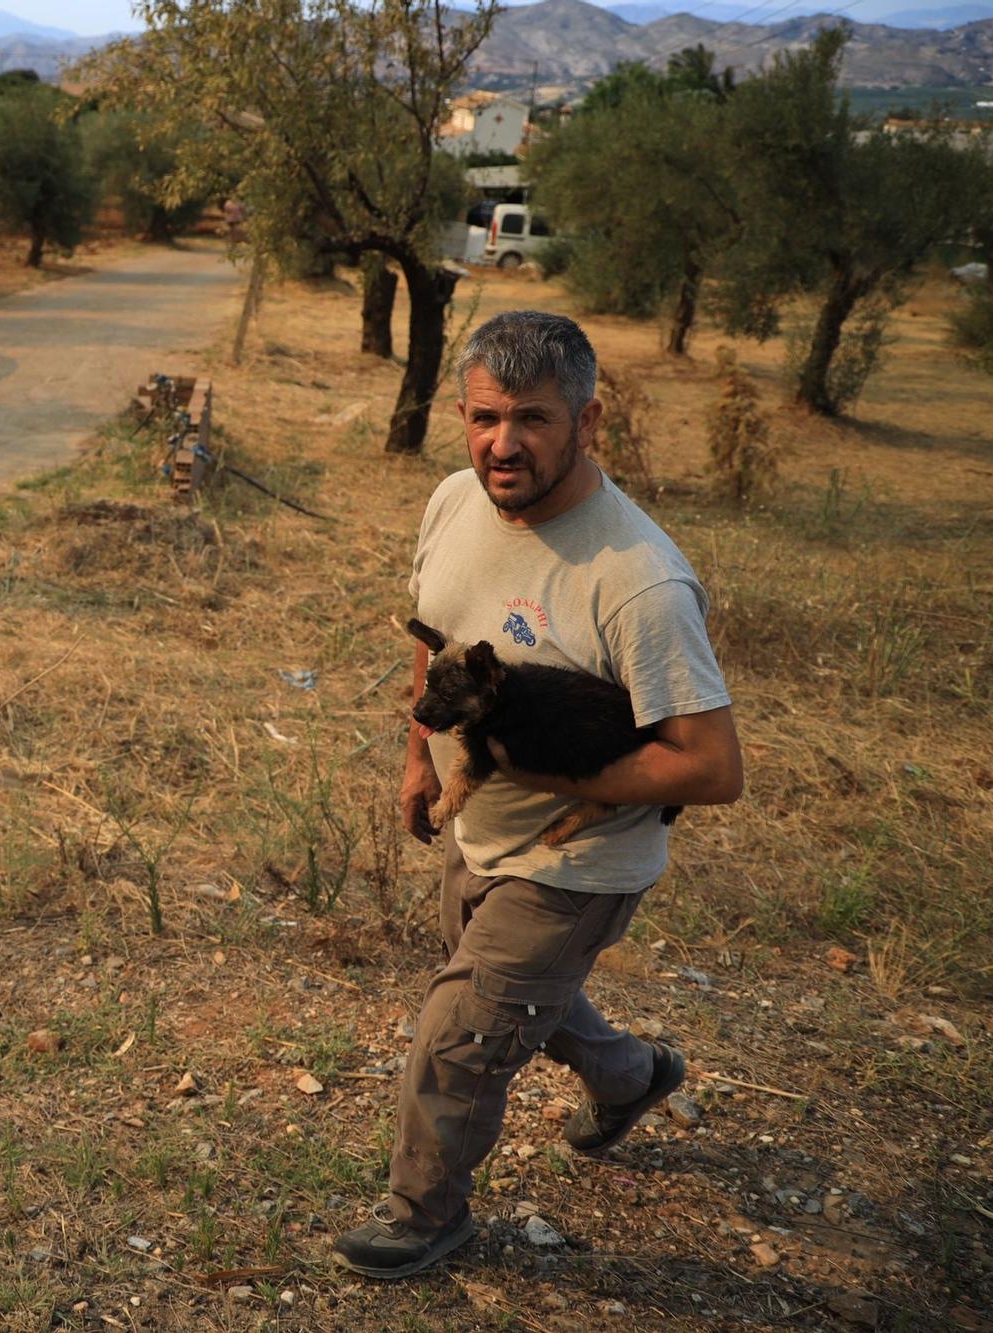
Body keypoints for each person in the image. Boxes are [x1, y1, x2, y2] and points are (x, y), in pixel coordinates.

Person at [332, 311, 743, 1281]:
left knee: (461, 1032)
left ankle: (422, 1216)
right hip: (479, 837)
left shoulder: (638, 580)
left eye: (530, 418)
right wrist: (416, 762)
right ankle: (631, 1076)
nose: (499, 443)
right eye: (481, 417)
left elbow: (711, 767)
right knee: (515, 997)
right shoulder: (450, 500)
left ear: (586, 420)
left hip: (579, 863)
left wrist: (547, 778)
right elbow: (435, 641)